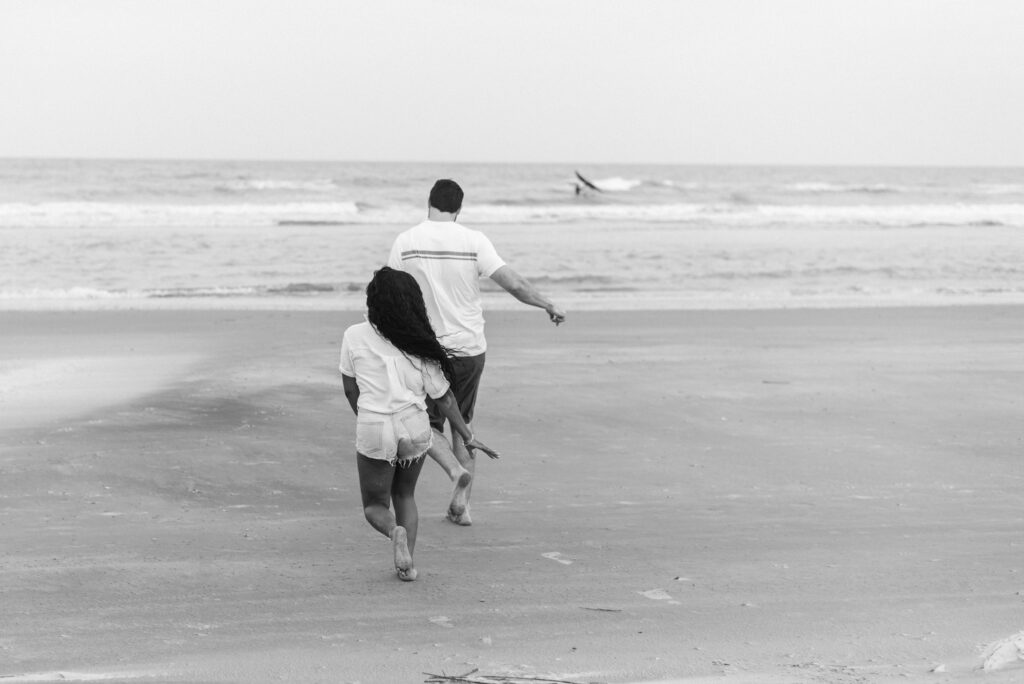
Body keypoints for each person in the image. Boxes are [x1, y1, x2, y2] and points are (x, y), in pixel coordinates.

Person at [388, 179, 566, 526]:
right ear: (459, 209)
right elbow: (513, 283)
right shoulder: (473, 240)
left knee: (422, 422)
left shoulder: (406, 241)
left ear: (429, 203)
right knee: (463, 425)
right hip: (469, 349)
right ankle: (463, 507)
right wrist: (547, 304)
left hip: (426, 349)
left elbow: (390, 292)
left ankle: (454, 472)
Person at [340, 267, 498, 581]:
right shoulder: (419, 343)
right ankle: (407, 564)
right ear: (413, 303)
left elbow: (350, 387)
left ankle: (392, 532)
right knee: (405, 496)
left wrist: (368, 419)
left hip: (375, 424)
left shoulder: (353, 335)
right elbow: (444, 398)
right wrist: (467, 436)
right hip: (415, 425)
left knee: (375, 506)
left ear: (373, 301)